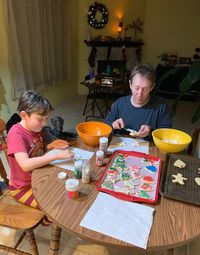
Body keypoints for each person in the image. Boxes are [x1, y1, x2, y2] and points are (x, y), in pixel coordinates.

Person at [7, 91, 74, 225]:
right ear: (24, 115)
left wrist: (50, 146)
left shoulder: (36, 129)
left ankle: (49, 215)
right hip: (22, 187)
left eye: (46, 119)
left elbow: (37, 151)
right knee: (55, 206)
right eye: (40, 119)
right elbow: (25, 164)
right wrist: (55, 155)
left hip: (38, 178)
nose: (44, 124)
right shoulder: (16, 133)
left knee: (66, 189)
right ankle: (46, 218)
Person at [104, 63, 172, 139]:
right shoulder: (119, 104)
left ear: (152, 87)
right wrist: (113, 124)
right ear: (130, 84)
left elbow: (167, 135)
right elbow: (105, 126)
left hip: (149, 148)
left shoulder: (161, 106)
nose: (139, 94)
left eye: (145, 89)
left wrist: (150, 131)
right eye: (136, 88)